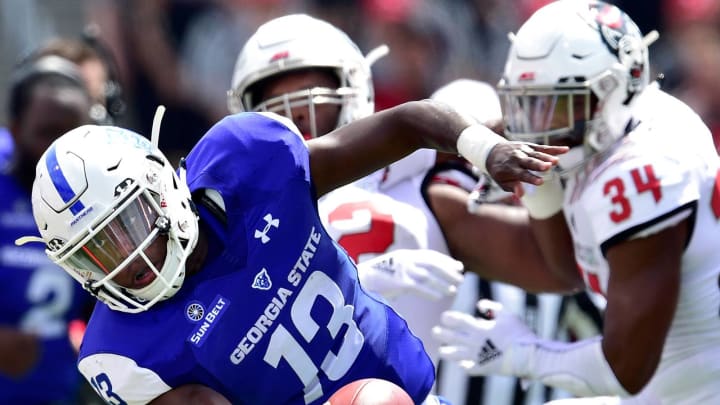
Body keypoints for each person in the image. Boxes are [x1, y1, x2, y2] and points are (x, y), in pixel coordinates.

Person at [22, 84, 565, 404]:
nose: (128, 258)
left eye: (129, 224)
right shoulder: (123, 352)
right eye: (97, 252)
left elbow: (406, 123)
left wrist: (484, 149)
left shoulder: (247, 166)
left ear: (160, 186)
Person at [225, 15, 528, 403]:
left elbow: (543, 261)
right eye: (277, 114)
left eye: (309, 105)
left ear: (353, 94)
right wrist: (361, 278)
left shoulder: (410, 176)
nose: (296, 126)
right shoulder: (241, 221)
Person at [432, 1, 720, 403]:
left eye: (559, 105)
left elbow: (624, 371)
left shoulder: (644, 171)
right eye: (530, 103)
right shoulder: (628, 121)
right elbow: (573, 269)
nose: (540, 126)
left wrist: (525, 354)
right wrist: (540, 185)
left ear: (617, 88)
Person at [0, 55, 96, 404]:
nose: (57, 150)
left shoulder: (106, 192)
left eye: (69, 133)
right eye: (45, 132)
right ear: (14, 129)